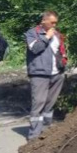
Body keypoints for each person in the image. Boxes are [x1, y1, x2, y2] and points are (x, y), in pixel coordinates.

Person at [25, 11, 67, 141]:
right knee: (39, 103)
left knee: (50, 104)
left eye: (56, 22)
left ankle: (46, 132)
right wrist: (46, 37)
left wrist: (64, 60)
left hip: (56, 74)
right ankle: (34, 137)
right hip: (39, 74)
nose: (54, 25)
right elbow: (35, 49)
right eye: (52, 22)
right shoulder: (32, 33)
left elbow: (60, 50)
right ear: (44, 21)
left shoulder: (57, 34)